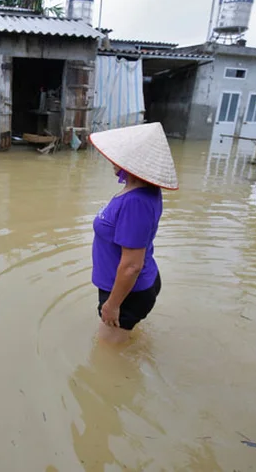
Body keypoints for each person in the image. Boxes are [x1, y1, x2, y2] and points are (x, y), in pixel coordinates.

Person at [89, 122, 179, 344]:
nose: (112, 159)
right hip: (129, 287)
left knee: (105, 361)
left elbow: (131, 266)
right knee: (117, 347)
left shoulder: (135, 202)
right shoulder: (139, 190)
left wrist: (112, 305)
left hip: (128, 293)